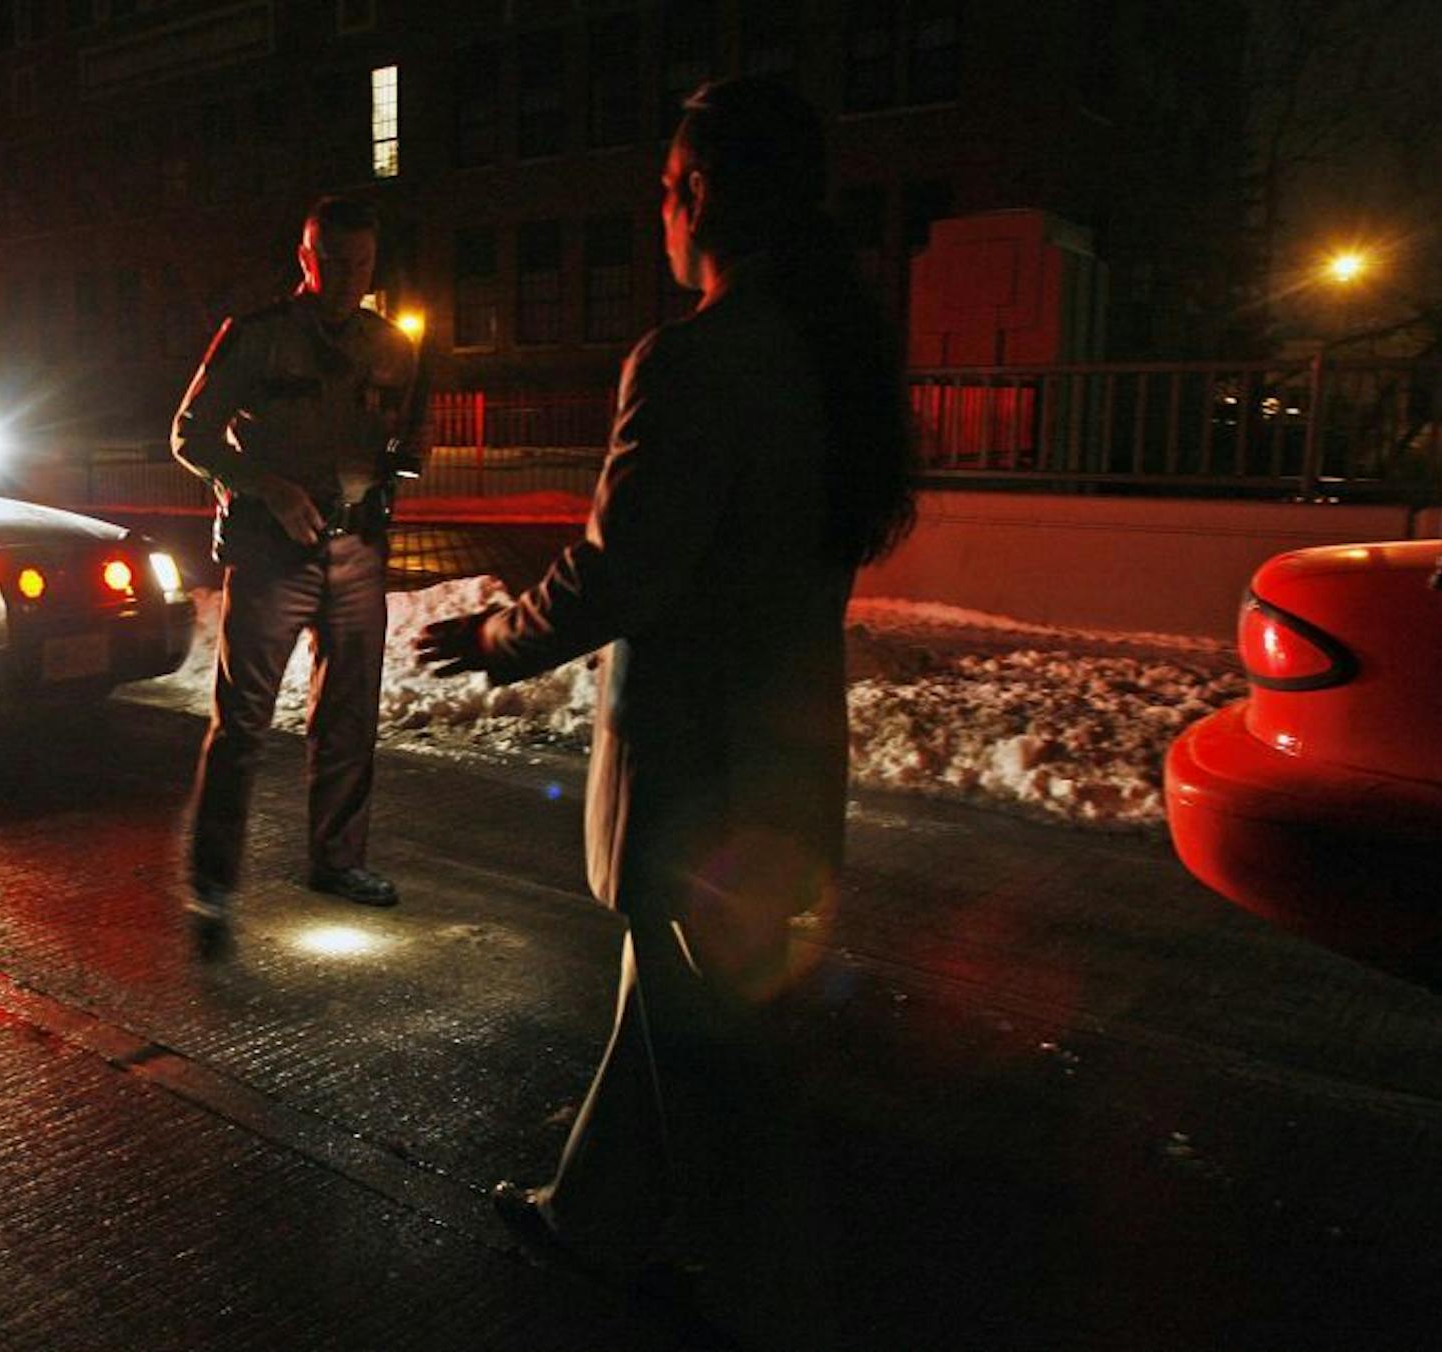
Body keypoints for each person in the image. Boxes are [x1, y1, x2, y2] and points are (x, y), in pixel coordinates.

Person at [417, 79, 917, 1342]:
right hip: (784, 751)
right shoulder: (833, 353)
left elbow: (623, 567)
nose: (659, 208)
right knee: (669, 1002)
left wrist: (493, 636)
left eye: (667, 183)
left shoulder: (696, 357)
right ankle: (588, 1213)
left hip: (696, 768)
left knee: (707, 1057)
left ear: (700, 195)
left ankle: (757, 1291)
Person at [173, 195, 427, 926]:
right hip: (270, 551)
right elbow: (190, 434)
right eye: (335, 261)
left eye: (364, 262)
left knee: (349, 719)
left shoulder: (391, 346)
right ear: (306, 258)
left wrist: (403, 464)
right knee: (243, 720)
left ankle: (339, 860)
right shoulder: (257, 337)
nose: (350, 275)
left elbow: (404, 430)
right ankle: (214, 878)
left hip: (355, 551)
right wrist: (268, 488)